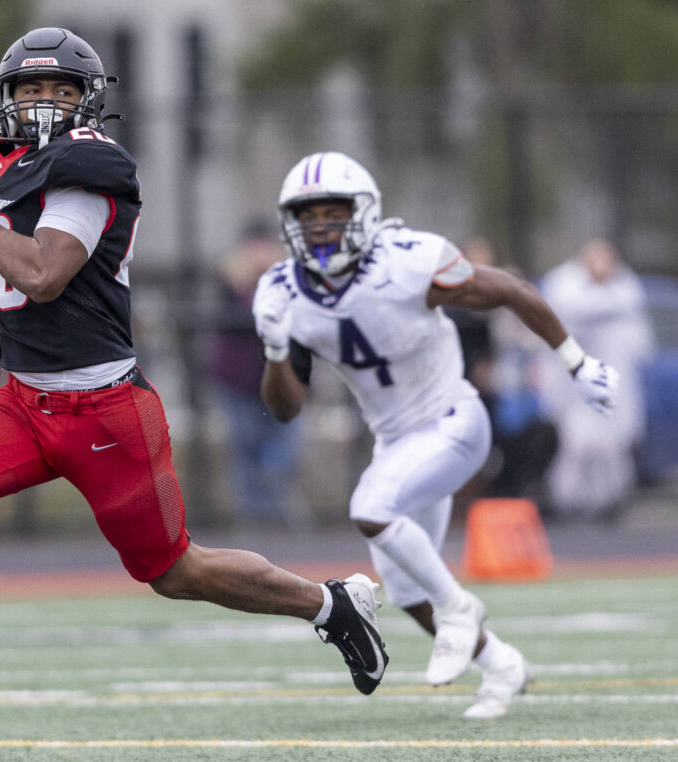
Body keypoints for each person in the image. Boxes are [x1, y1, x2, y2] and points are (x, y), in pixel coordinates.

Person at [0, 29, 388, 744]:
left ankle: (330, 605)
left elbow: (43, 272)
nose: (43, 104)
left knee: (174, 571)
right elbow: (16, 289)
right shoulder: (0, 164)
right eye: (30, 89)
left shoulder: (93, 166)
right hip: (26, 401)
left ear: (87, 102)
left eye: (60, 90)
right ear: (5, 99)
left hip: (104, 410)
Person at [253, 151, 619, 719]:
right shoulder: (283, 293)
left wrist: (576, 362)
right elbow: (284, 409)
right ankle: (501, 665)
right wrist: (276, 352)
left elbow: (509, 290)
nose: (321, 225)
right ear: (290, 224)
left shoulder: (408, 261)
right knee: (401, 587)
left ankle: (459, 606)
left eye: (333, 211)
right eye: (309, 214)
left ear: (365, 213)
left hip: (455, 420)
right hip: (398, 443)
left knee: (370, 505)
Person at [539, 238, 654, 521]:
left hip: (616, 383)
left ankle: (612, 501)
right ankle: (565, 501)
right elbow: (572, 311)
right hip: (575, 385)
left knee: (614, 448)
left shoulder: (625, 285)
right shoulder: (564, 283)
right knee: (577, 445)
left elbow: (639, 336)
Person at [205, 219, 306, 527]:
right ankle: (252, 516)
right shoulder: (229, 280)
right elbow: (232, 323)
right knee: (245, 447)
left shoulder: (289, 281)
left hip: (282, 382)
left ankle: (280, 508)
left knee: (286, 448)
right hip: (240, 383)